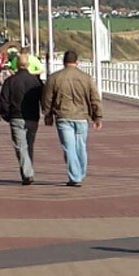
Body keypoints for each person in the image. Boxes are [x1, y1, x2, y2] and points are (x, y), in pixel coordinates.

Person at [41, 50, 103, 187]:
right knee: (80, 146)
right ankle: (80, 173)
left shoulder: (54, 78)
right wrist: (97, 117)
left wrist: (47, 114)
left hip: (63, 116)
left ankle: (75, 176)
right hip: (82, 117)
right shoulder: (86, 78)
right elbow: (95, 98)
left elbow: (47, 98)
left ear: (64, 62)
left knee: (69, 147)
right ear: (77, 62)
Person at [0, 53, 43, 185]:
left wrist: (6, 115)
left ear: (17, 65)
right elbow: (43, 98)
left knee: (20, 146)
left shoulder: (10, 81)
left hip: (16, 116)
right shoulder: (36, 81)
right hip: (32, 117)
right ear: (28, 64)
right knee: (29, 145)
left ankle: (27, 173)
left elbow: (4, 101)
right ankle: (28, 171)